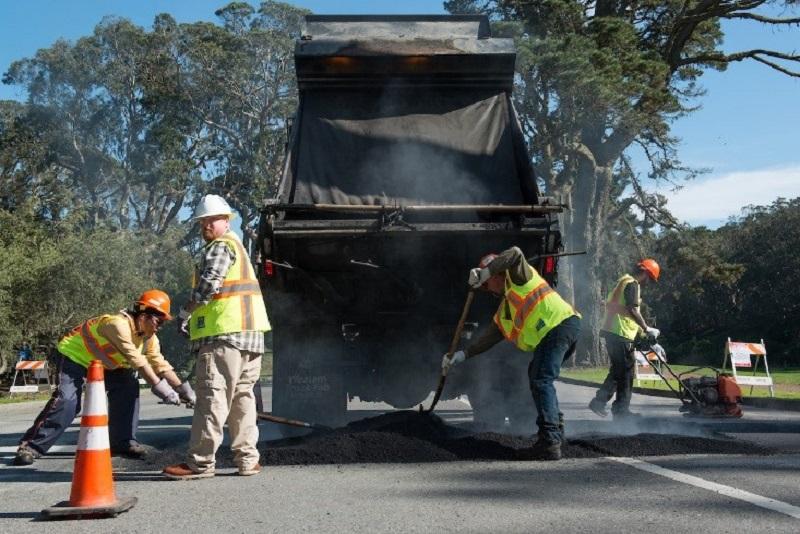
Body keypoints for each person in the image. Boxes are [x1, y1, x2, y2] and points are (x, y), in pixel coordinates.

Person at [13, 290, 195, 466]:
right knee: (68, 401)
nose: (159, 327)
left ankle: (122, 443)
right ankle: (31, 447)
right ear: (143, 315)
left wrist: (183, 390)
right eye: (158, 321)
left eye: (162, 323)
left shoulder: (149, 338)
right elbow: (137, 360)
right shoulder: (117, 324)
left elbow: (160, 364)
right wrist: (163, 390)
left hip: (104, 366)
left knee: (128, 387)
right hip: (75, 358)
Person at [163, 194, 270, 480]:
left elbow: (210, 284)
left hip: (225, 337)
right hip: (250, 337)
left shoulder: (220, 247)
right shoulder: (239, 247)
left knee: (212, 399)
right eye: (202, 222)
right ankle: (247, 461)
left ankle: (199, 462)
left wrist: (186, 313)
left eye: (211, 220)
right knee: (242, 400)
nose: (205, 226)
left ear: (226, 220)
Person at [443, 246, 581, 461]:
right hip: (558, 333)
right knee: (538, 377)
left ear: (498, 275)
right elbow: (488, 338)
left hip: (561, 326)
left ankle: (550, 441)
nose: (488, 289)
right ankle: (556, 432)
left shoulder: (519, 278)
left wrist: (484, 273)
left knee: (540, 380)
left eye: (488, 284)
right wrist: (462, 355)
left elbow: (516, 253)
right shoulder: (505, 309)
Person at [588, 258, 661, 420]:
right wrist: (646, 328)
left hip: (613, 331)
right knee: (625, 373)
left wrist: (642, 336)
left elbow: (624, 312)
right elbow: (632, 310)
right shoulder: (632, 284)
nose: (648, 283)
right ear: (646, 273)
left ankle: (604, 404)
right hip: (619, 333)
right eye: (650, 279)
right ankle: (619, 410)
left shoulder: (622, 281)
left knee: (618, 371)